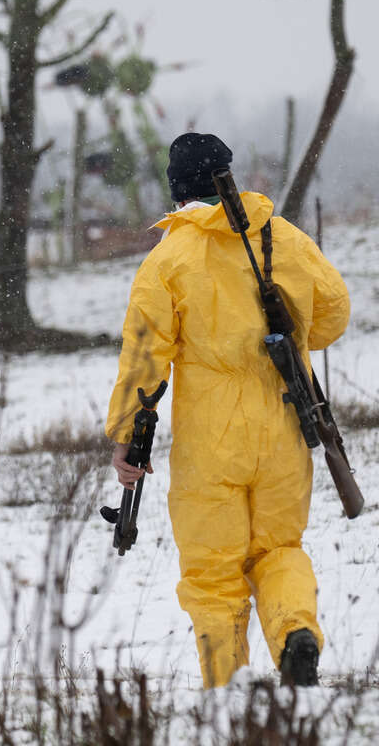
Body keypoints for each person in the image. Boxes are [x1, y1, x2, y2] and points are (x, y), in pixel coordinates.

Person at [105, 132, 350, 688]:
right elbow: (334, 312)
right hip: (288, 426)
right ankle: (295, 635)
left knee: (213, 576)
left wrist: (126, 436)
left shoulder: (169, 258)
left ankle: (227, 690)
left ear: (177, 191)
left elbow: (145, 356)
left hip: (210, 443)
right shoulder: (283, 236)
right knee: (279, 550)